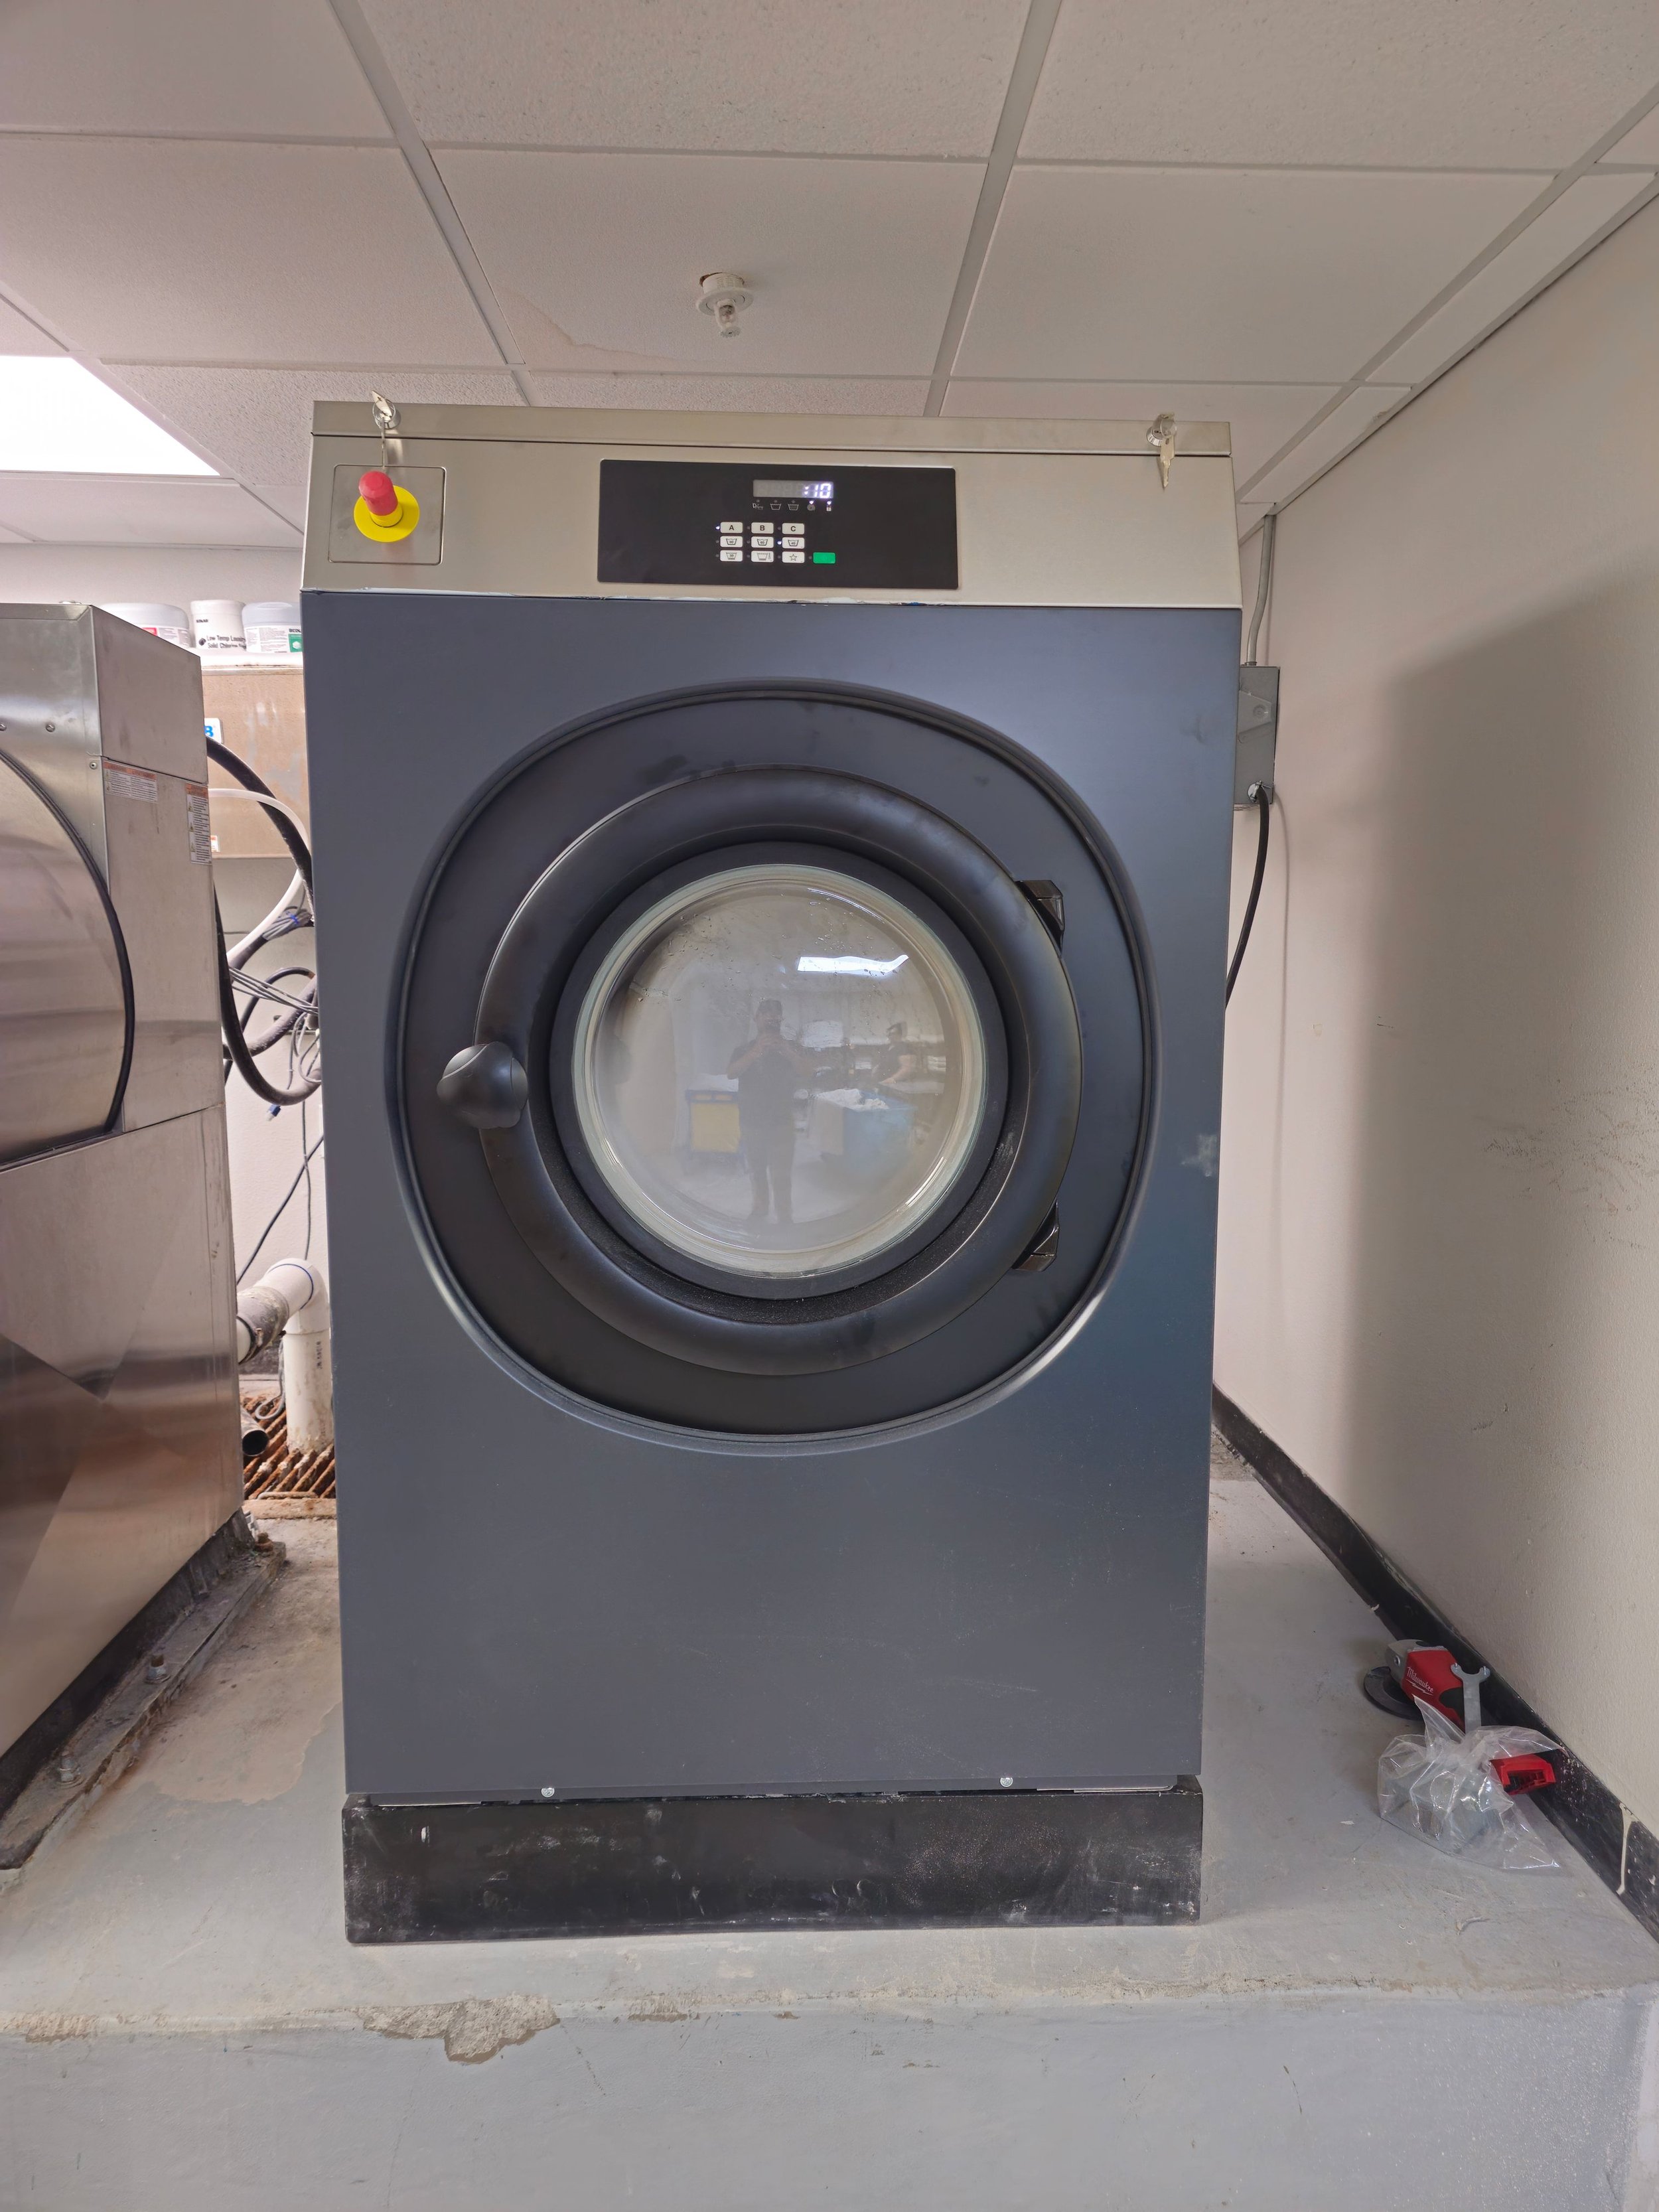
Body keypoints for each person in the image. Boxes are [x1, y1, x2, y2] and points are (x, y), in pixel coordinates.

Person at [727, 999, 810, 1223]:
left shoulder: (791, 1048)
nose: (771, 1021)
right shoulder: (744, 1049)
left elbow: (806, 1070)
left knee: (782, 1175)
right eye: (766, 1017)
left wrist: (785, 1050)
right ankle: (760, 1209)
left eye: (775, 1018)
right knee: (757, 1170)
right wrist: (756, 1051)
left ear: (781, 1021)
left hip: (782, 1122)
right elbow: (732, 1073)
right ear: (756, 1019)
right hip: (751, 1121)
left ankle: (785, 1215)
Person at [871, 1020, 919, 1090]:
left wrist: (892, 1079)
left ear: (900, 1034)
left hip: (896, 1086)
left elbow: (907, 1069)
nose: (891, 1036)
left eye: (893, 1034)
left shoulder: (905, 1048)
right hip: (882, 1084)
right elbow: (882, 1063)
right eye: (889, 1034)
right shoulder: (887, 1047)